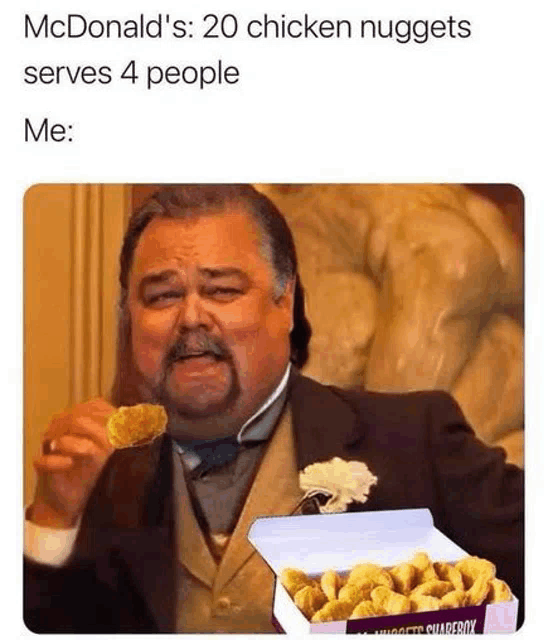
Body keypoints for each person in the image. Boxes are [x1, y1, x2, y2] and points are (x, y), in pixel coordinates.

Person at [24, 185, 524, 633]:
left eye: (223, 289)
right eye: (162, 296)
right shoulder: (101, 477)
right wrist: (52, 518)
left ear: (284, 305)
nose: (191, 317)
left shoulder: (418, 439)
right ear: (130, 320)